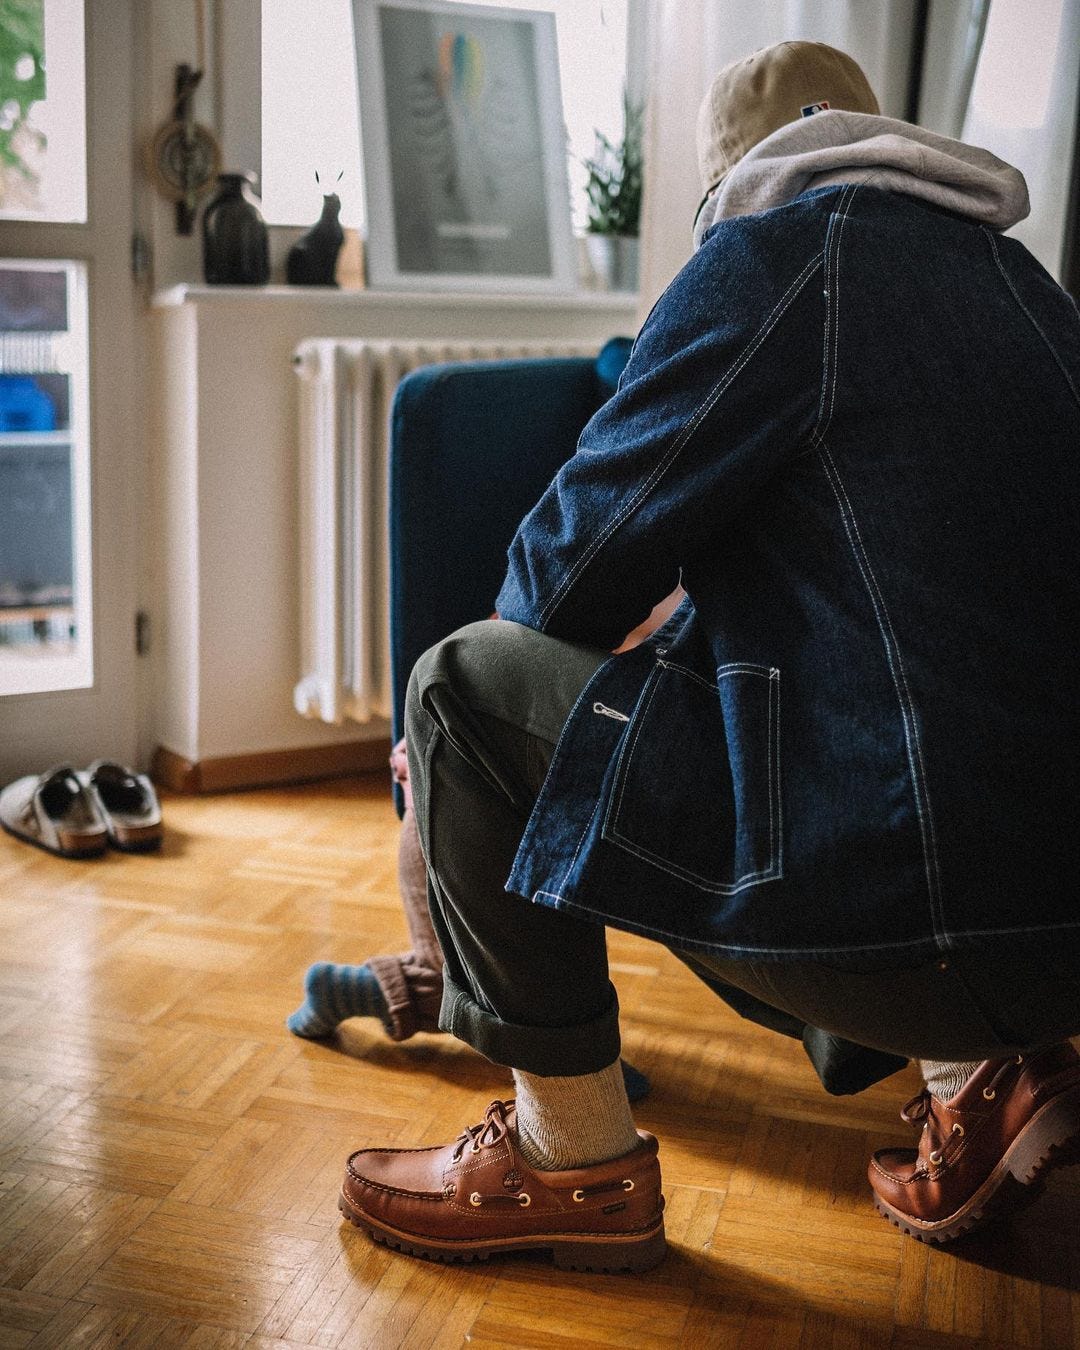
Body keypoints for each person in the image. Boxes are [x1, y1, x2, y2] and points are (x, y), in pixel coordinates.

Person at [336, 40, 1080, 1272]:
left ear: (729, 177)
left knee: (458, 691)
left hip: (919, 931)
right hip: (1058, 927)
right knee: (884, 703)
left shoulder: (775, 258)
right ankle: (981, 1078)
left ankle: (567, 1159)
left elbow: (562, 576)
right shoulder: (1028, 288)